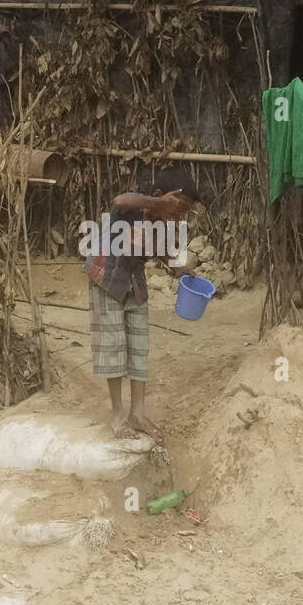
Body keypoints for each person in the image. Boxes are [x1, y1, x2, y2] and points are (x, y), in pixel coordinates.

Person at [85, 168, 202, 443]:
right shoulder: (132, 208)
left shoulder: (162, 223)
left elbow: (157, 246)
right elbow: (119, 200)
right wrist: (157, 204)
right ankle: (117, 414)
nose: (180, 217)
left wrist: (176, 267)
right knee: (113, 347)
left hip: (133, 283)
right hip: (106, 279)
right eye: (178, 209)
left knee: (138, 348)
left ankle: (138, 412)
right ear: (161, 197)